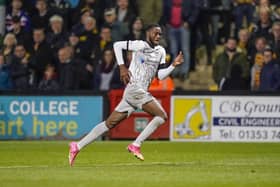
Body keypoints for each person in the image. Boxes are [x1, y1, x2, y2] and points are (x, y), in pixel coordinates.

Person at [68, 24, 183, 166]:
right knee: (162, 116)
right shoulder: (140, 45)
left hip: (137, 92)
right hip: (135, 89)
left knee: (109, 123)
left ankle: (77, 146)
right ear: (148, 33)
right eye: (155, 33)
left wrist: (173, 65)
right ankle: (136, 144)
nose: (158, 36)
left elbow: (160, 75)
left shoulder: (160, 51)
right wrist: (122, 66)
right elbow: (117, 45)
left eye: (160, 34)